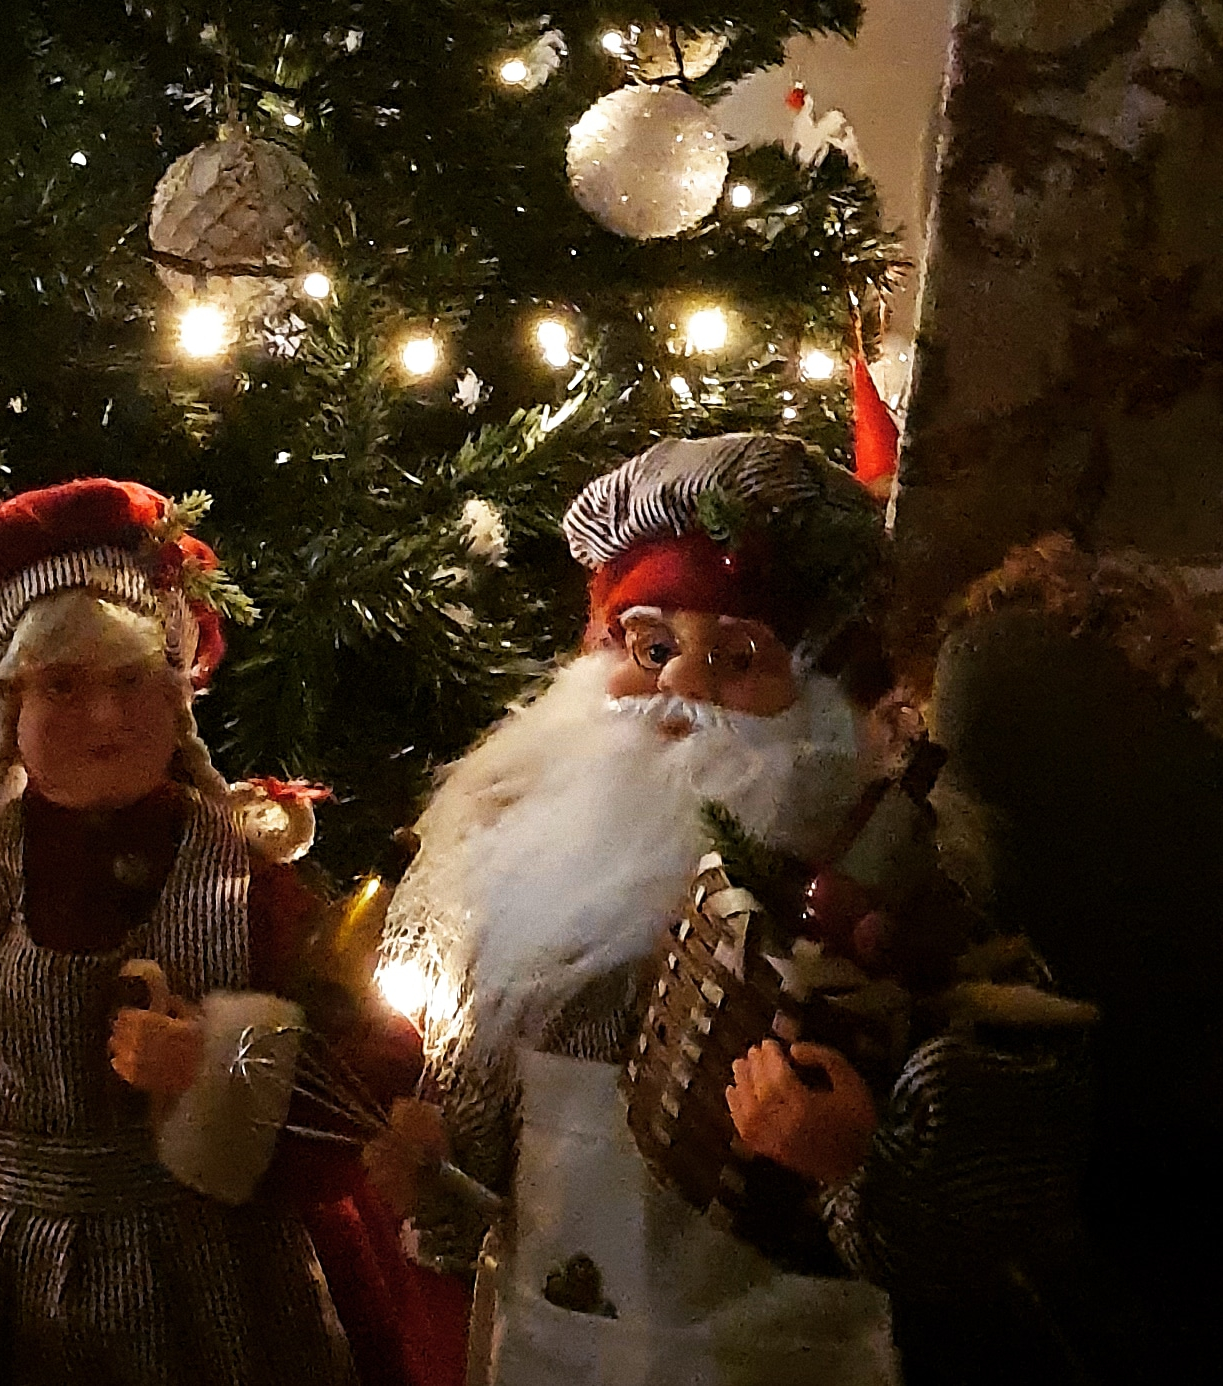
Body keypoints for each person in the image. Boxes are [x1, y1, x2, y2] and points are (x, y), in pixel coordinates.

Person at [382, 431, 1091, 1386]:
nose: (679, 685)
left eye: (736, 657)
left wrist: (858, 1163)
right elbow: (473, 1166)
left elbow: (1006, 1190)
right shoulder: (506, 876)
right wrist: (431, 1178)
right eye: (652, 647)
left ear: (823, 694)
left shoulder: (905, 888)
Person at [0, 477, 462, 1386]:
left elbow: (368, 1063)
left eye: (131, 680)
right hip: (11, 1293)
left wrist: (222, 1069)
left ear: (177, 695)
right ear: (7, 715)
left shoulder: (247, 883)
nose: (104, 718)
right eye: (62, 686)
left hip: (232, 1283)